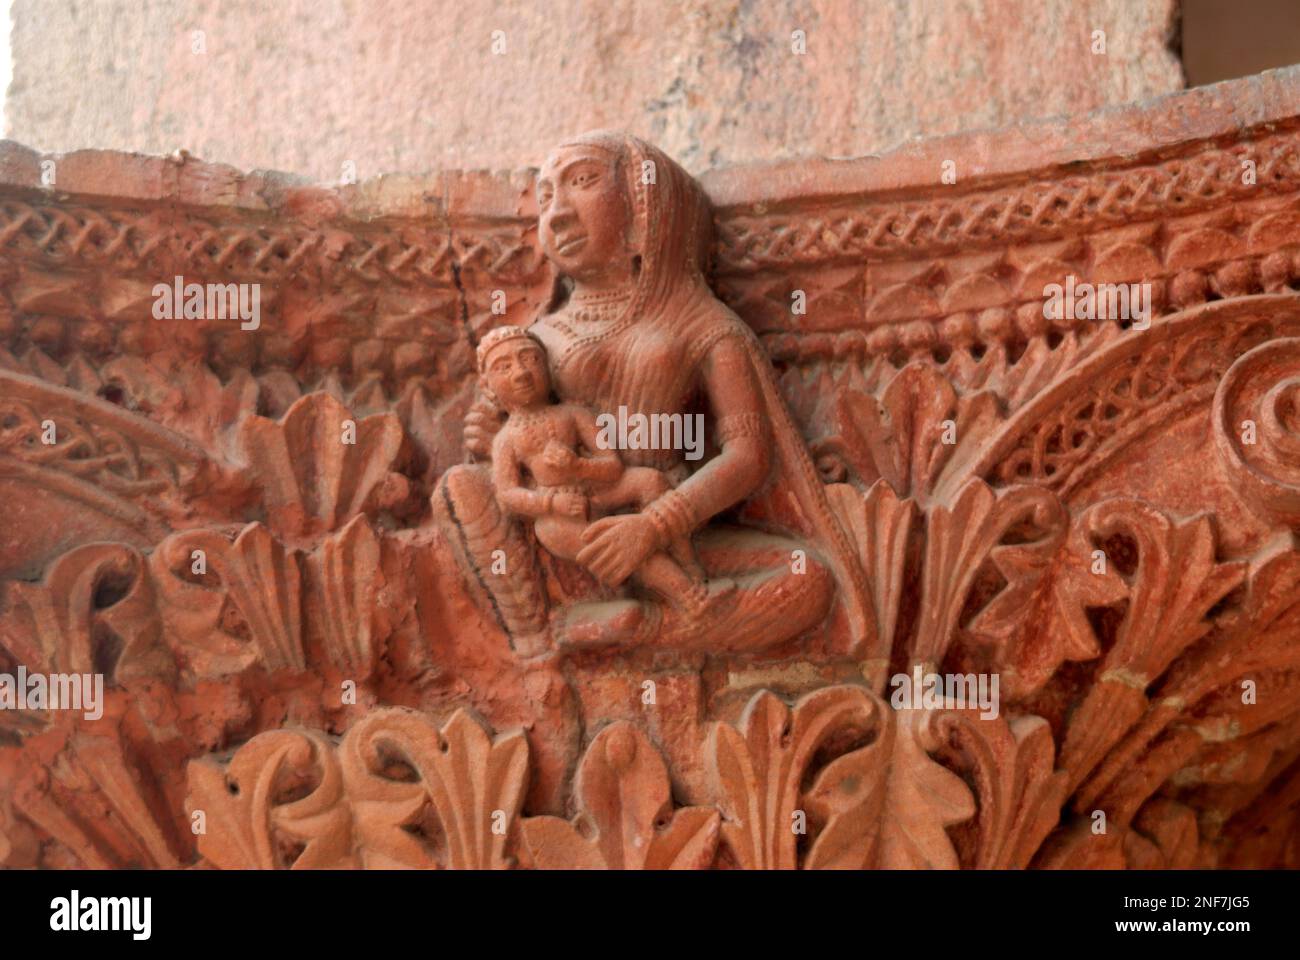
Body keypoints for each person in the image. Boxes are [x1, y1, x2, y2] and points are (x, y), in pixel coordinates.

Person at [434, 130, 870, 658]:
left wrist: (653, 526)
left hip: (670, 532)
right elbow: (505, 451)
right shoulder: (534, 341)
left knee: (807, 580)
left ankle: (631, 629)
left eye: (583, 181)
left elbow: (748, 455)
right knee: (459, 490)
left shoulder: (703, 326)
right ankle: (536, 642)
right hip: (565, 537)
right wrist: (489, 441)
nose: (558, 213)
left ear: (645, 205)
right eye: (546, 197)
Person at [475, 323, 732, 617]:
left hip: (599, 489)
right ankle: (686, 594)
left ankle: (689, 564)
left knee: (650, 481)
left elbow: (612, 466)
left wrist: (578, 466)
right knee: (608, 545)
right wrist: (550, 502)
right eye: (503, 367)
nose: (521, 373)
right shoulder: (507, 439)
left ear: (548, 368)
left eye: (530, 359)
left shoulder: (572, 415)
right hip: (559, 514)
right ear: (487, 387)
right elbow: (507, 495)